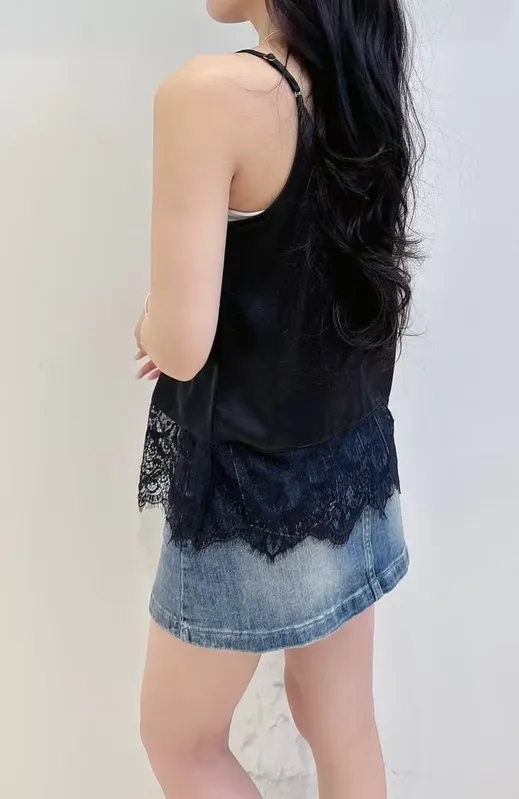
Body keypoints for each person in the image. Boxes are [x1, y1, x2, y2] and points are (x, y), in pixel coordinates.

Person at [134, 0, 422, 796]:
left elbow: (180, 345)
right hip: (353, 463)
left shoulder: (210, 94)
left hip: (250, 489)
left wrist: (152, 319)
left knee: (181, 741)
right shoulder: (357, 74)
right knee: (343, 722)